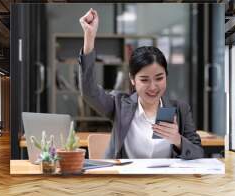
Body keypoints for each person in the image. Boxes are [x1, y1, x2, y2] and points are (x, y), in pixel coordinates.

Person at [78, 8, 204, 159]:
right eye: (144, 80)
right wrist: (89, 37)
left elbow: (198, 153)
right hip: (127, 180)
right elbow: (88, 91)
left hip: (165, 181)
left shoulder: (180, 110)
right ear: (132, 79)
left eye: (159, 78)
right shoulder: (120, 104)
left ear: (166, 76)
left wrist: (178, 140)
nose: (153, 87)